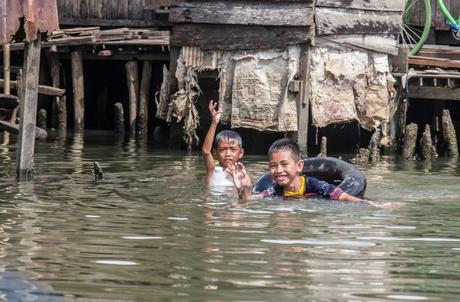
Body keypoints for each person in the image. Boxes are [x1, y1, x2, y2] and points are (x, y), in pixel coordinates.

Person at [228, 138, 390, 207]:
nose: (278, 171)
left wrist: (373, 205)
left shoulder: (313, 184)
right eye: (273, 166)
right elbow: (251, 200)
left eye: (284, 164)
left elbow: (344, 197)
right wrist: (243, 189)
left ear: (299, 166)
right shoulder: (276, 190)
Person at [202, 100, 249, 187]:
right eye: (223, 150)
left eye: (233, 150)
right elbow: (206, 152)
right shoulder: (212, 170)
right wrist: (214, 123)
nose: (228, 154)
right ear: (215, 153)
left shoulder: (242, 174)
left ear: (241, 153)